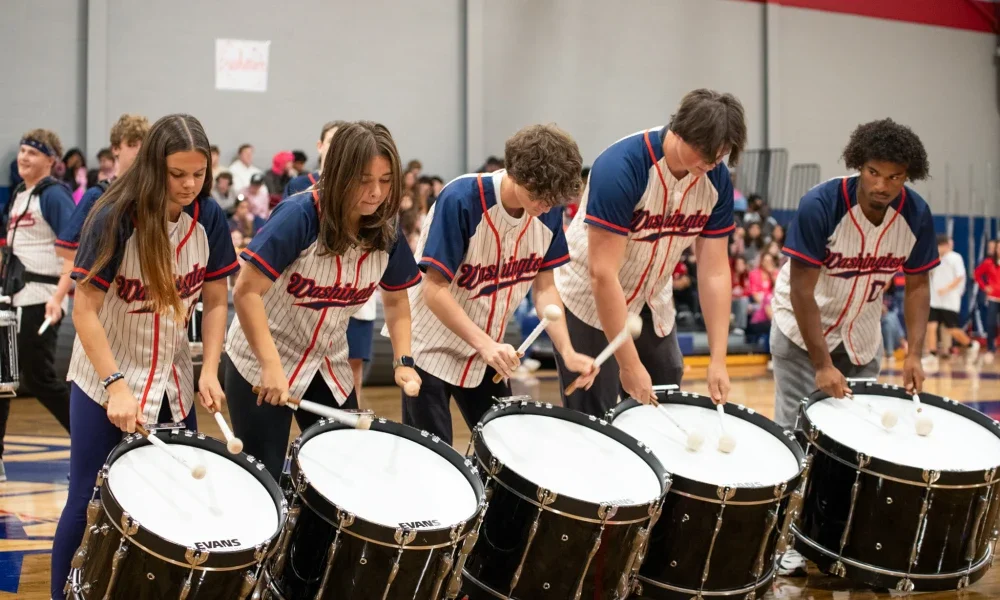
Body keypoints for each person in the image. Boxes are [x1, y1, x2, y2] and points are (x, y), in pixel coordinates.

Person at [49, 114, 238, 599]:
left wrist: (210, 368)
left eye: (199, 174)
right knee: (87, 499)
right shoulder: (115, 212)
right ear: (155, 166)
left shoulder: (207, 216)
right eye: (178, 175)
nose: (189, 184)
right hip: (103, 377)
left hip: (172, 383)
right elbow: (85, 306)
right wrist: (115, 385)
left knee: (174, 502)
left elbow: (217, 298)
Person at [770, 118, 937, 576]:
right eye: (873, 172)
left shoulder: (916, 215)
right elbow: (802, 290)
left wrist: (916, 354)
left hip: (862, 334)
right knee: (796, 436)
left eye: (895, 176)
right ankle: (782, 540)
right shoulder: (820, 204)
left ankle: (834, 539)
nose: (883, 185)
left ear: (908, 176)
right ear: (857, 165)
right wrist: (822, 364)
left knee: (856, 443)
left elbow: (918, 285)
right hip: (801, 331)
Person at [224, 121, 422, 481]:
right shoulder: (298, 215)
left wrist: (403, 359)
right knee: (262, 480)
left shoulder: (386, 232)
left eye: (386, 180)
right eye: (364, 179)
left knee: (341, 476)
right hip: (262, 361)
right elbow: (245, 291)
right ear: (339, 173)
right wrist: (270, 366)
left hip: (328, 365)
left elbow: (396, 301)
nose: (376, 192)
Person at [402, 124, 599, 446]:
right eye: (541, 198)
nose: (547, 208)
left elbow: (546, 288)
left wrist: (567, 352)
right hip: (430, 347)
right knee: (432, 456)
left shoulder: (546, 209)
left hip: (487, 354)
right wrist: (486, 344)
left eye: (554, 201)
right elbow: (433, 289)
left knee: (505, 454)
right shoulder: (462, 199)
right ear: (519, 174)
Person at [554, 89, 746, 416]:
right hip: (590, 295)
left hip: (652, 298)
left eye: (721, 155)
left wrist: (718, 359)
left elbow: (714, 271)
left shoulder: (715, 180)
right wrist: (628, 365)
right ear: (681, 130)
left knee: (666, 391)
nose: (713, 163)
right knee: (593, 415)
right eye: (706, 152)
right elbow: (603, 274)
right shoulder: (622, 166)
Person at [0, 130, 77, 478]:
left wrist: (59, 297)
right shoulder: (19, 194)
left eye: (33, 152)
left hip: (41, 298)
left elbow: (74, 251)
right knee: (3, 379)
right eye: (22, 150)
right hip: (11, 297)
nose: (24, 157)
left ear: (51, 160)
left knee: (39, 377)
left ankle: (91, 442)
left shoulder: (55, 196)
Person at [282, 120, 377, 402]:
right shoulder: (300, 188)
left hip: (355, 288)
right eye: (332, 141)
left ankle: (353, 410)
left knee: (353, 362)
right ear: (320, 146)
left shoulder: (369, 193)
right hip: (312, 287)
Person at [56, 113, 150, 260]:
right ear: (115, 149)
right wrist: (100, 268)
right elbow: (64, 247)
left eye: (144, 145)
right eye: (132, 145)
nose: (139, 150)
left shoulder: (154, 194)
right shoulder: (98, 195)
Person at [925, 233, 979, 364]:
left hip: (949, 301)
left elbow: (960, 276)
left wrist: (947, 288)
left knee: (952, 329)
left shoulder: (955, 258)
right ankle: (932, 354)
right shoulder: (935, 258)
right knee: (930, 326)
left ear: (944, 246)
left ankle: (971, 345)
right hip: (934, 300)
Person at [284, 121, 346, 198]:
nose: (338, 146)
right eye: (331, 141)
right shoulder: (297, 185)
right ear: (320, 146)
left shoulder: (354, 186)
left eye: (343, 143)